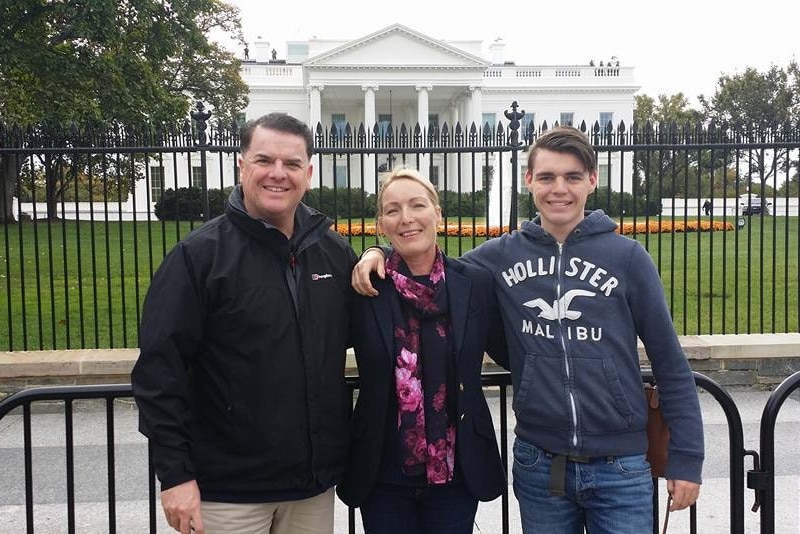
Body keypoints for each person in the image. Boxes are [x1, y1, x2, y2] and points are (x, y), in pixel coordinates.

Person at [352, 126, 704, 534]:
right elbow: (427, 264)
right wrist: (375, 252)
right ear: (529, 181)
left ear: (592, 180)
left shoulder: (626, 257)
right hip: (540, 462)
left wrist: (687, 458)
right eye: (547, 177)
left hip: (620, 464)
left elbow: (670, 362)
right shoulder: (498, 258)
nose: (559, 189)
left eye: (572, 176)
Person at [132, 113, 356, 534]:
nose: (278, 174)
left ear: (308, 172)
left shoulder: (331, 250)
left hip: (310, 488)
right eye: (264, 160)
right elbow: (160, 373)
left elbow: (373, 317)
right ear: (242, 165)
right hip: (227, 492)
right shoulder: (199, 257)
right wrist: (175, 475)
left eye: (291, 164)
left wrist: (378, 251)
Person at [336, 168, 508, 534]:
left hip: (457, 470)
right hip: (383, 472)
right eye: (393, 209)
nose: (406, 218)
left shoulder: (474, 283)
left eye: (417, 205)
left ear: (437, 213)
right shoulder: (366, 287)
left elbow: (513, 349)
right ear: (381, 222)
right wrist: (373, 253)